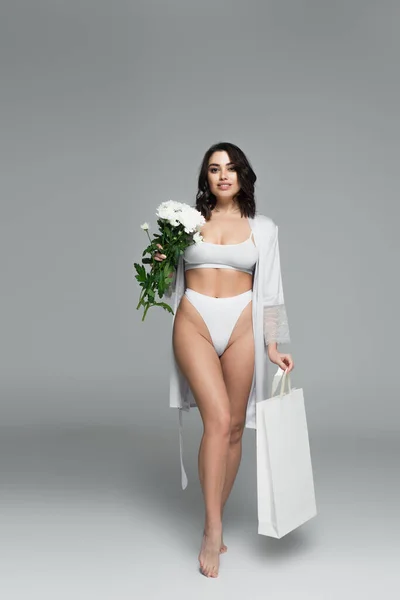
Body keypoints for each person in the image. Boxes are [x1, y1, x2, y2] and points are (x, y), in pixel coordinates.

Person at [154, 142, 294, 578]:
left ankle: (213, 512)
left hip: (242, 325)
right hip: (194, 319)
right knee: (216, 421)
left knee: (234, 428)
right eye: (214, 169)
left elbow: (271, 292)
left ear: (242, 175)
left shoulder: (263, 228)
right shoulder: (185, 224)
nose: (223, 175)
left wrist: (274, 344)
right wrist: (159, 262)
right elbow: (162, 289)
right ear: (206, 178)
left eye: (231, 168)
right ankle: (212, 530)